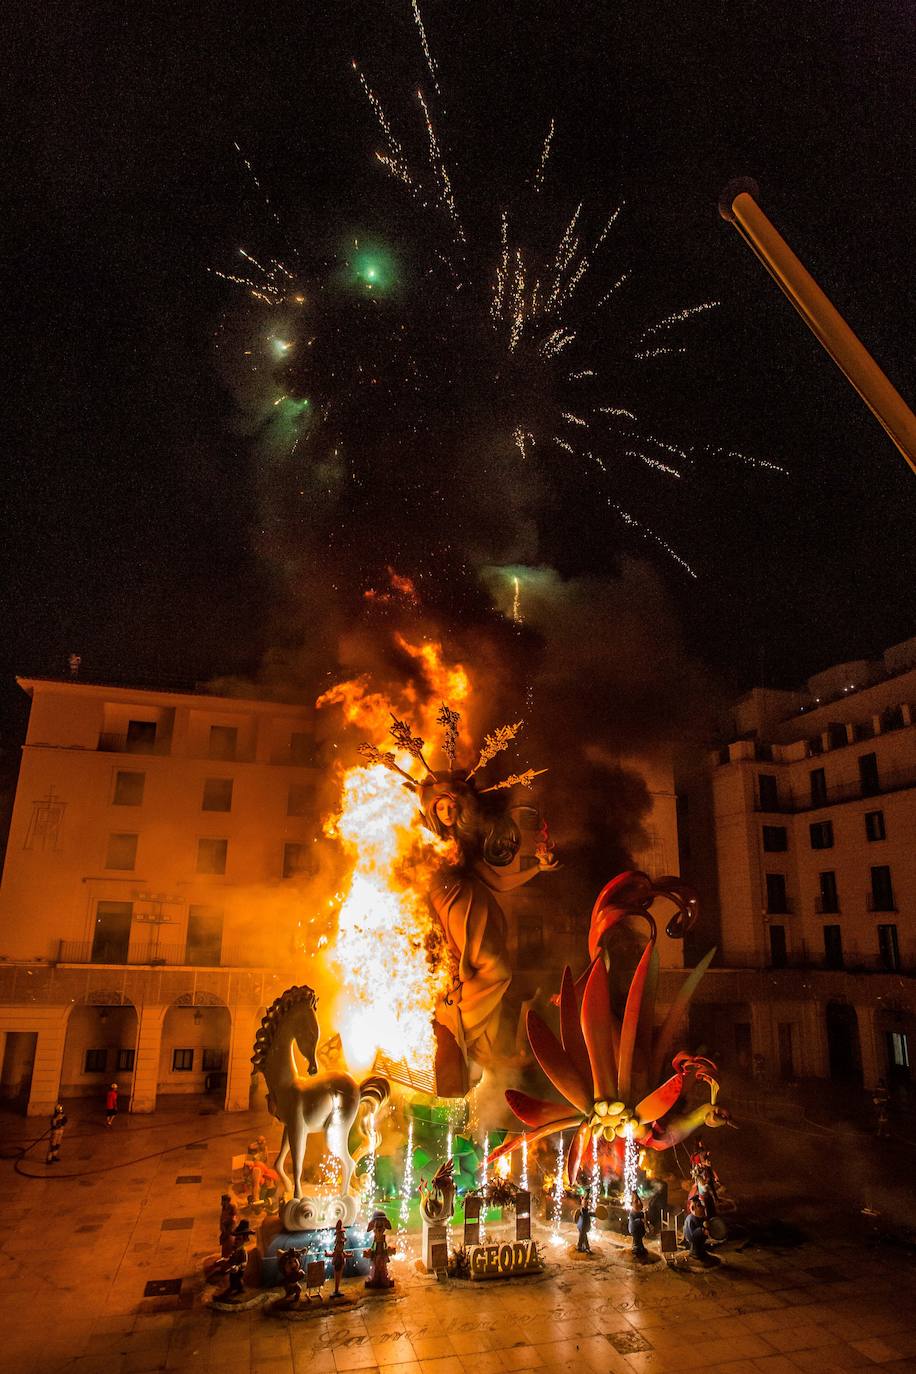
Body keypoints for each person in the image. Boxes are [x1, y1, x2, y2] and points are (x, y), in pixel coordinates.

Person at [684, 1198, 718, 1266]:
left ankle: (701, 1252)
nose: (702, 1207)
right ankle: (694, 1253)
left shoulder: (700, 1217)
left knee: (701, 1247)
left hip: (701, 1240)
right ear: (693, 1208)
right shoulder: (690, 1219)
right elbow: (691, 1235)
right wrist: (701, 1231)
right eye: (699, 1206)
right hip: (694, 1240)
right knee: (696, 1247)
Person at [628, 1193, 649, 1260]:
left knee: (639, 1241)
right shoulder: (633, 1213)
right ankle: (637, 1249)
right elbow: (633, 1224)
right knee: (637, 1241)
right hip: (635, 1229)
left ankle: (640, 1248)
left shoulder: (641, 1213)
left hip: (639, 1230)